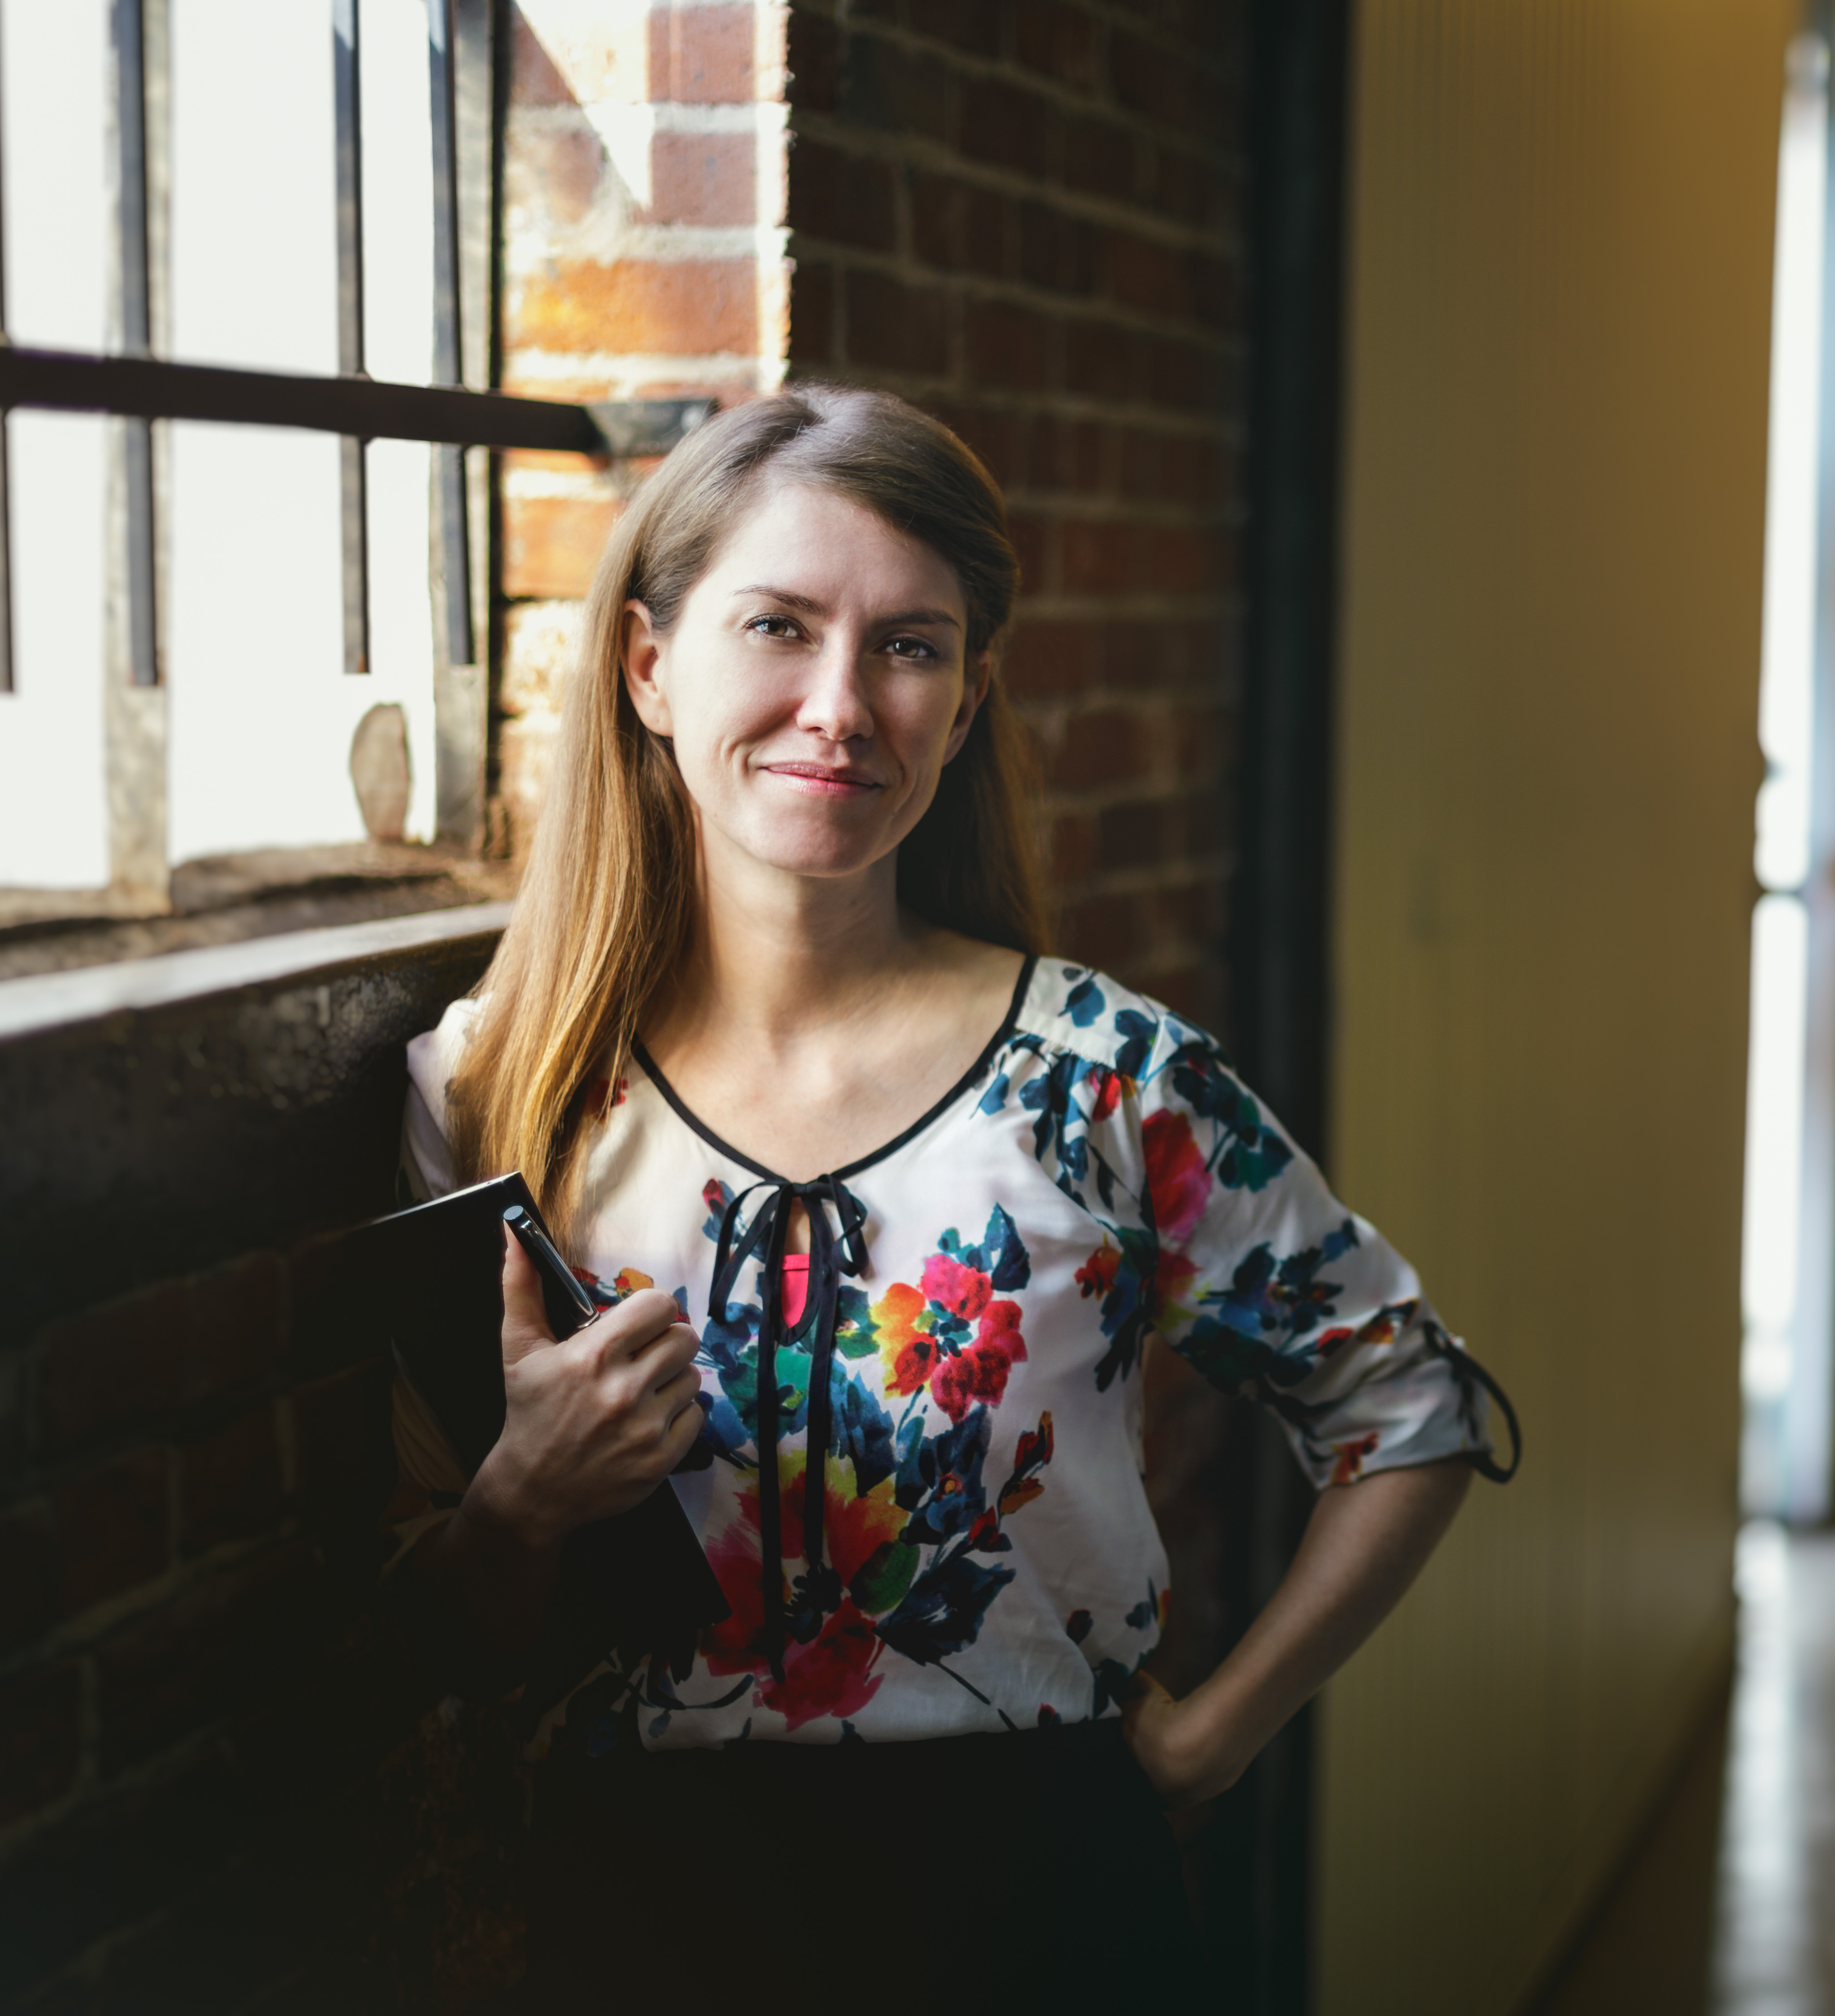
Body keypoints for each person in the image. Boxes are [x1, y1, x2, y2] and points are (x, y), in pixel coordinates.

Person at [386, 386, 1517, 2007]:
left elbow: (1408, 1405)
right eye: (778, 626)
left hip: (1042, 1906)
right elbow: (428, 1635)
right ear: (648, 666)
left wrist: (1207, 1746)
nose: (840, 705)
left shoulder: (1106, 1082)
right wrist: (521, 1499)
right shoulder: (502, 1098)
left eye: (909, 647)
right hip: (646, 1913)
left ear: (970, 701)